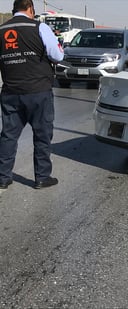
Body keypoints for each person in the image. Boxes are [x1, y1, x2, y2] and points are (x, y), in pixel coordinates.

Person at [0, 0, 64, 189]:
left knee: (8, 135)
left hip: (11, 91)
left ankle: (3, 177)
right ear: (30, 9)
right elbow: (57, 56)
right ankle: (42, 177)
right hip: (38, 91)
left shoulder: (1, 30)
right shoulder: (40, 27)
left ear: (14, 10)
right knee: (42, 134)